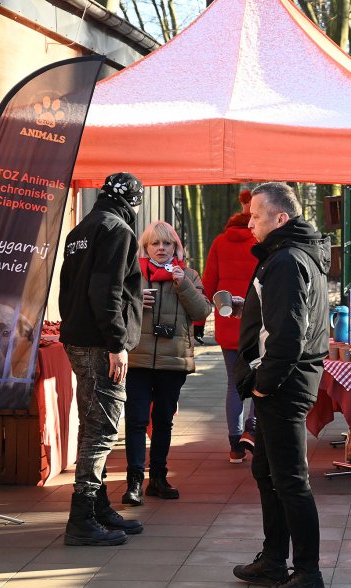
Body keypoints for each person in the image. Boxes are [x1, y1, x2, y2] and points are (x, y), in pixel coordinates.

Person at [231, 182, 329, 588]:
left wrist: (265, 384)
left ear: (280, 218)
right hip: (284, 381)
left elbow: (289, 333)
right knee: (266, 472)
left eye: (255, 216)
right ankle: (274, 560)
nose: (249, 223)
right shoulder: (288, 256)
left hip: (285, 384)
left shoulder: (288, 260)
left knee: (290, 480)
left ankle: (308, 577)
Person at [58, 172, 145, 546]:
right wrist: (117, 343)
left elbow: (67, 289)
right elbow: (107, 292)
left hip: (79, 339)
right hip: (100, 345)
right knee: (102, 429)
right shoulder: (117, 230)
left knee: (92, 424)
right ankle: (82, 518)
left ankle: (98, 507)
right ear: (134, 201)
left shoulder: (79, 231)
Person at [121, 221, 212, 506]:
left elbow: (202, 311)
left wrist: (182, 284)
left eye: (167, 244)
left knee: (163, 420)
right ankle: (134, 481)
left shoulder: (188, 275)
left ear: (176, 247)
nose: (161, 248)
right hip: (137, 358)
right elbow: (114, 311)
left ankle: (158, 477)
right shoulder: (132, 275)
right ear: (145, 248)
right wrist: (134, 301)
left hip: (173, 361)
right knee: (136, 421)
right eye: (155, 244)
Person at [199, 189, 259, 463]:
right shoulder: (262, 243)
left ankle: (235, 445)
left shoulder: (220, 242)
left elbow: (208, 285)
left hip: (227, 323)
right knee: (261, 381)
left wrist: (199, 323)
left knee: (233, 385)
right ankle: (252, 430)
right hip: (257, 324)